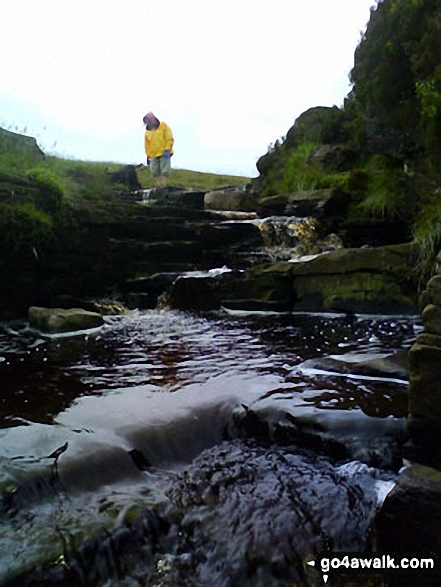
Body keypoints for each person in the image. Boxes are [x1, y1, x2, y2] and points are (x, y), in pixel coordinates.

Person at [143, 112, 174, 186]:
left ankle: (163, 184)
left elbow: (169, 138)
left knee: (165, 170)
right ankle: (158, 184)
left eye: (149, 120)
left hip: (164, 152)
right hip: (153, 154)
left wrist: (167, 148)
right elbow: (147, 144)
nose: (149, 123)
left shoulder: (163, 126)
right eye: (147, 122)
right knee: (154, 171)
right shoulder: (147, 132)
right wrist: (148, 155)